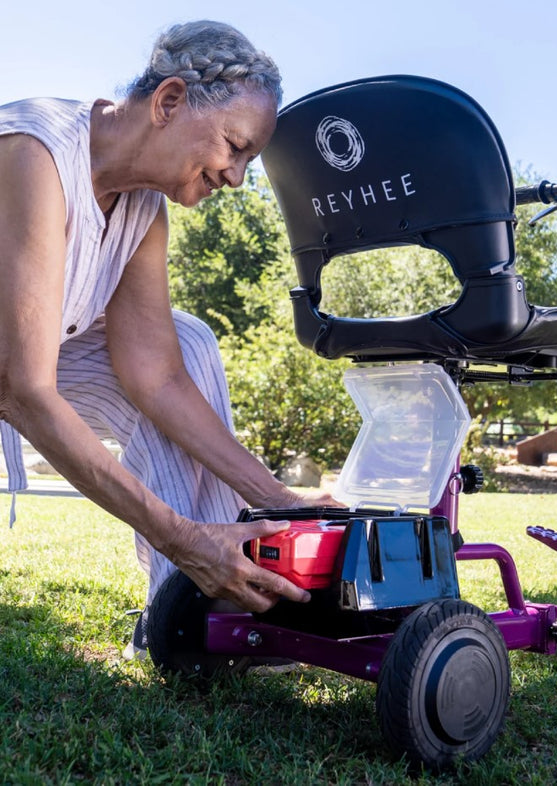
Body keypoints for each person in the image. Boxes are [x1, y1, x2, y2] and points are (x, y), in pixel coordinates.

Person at [0, 20, 338, 657]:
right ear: (170, 101)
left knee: (190, 342)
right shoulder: (34, 153)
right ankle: (196, 566)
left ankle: (187, 615)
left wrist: (278, 499)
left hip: (22, 364)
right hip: (15, 373)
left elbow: (154, 372)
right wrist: (184, 537)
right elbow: (22, 388)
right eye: (234, 147)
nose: (236, 178)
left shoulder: (143, 207)